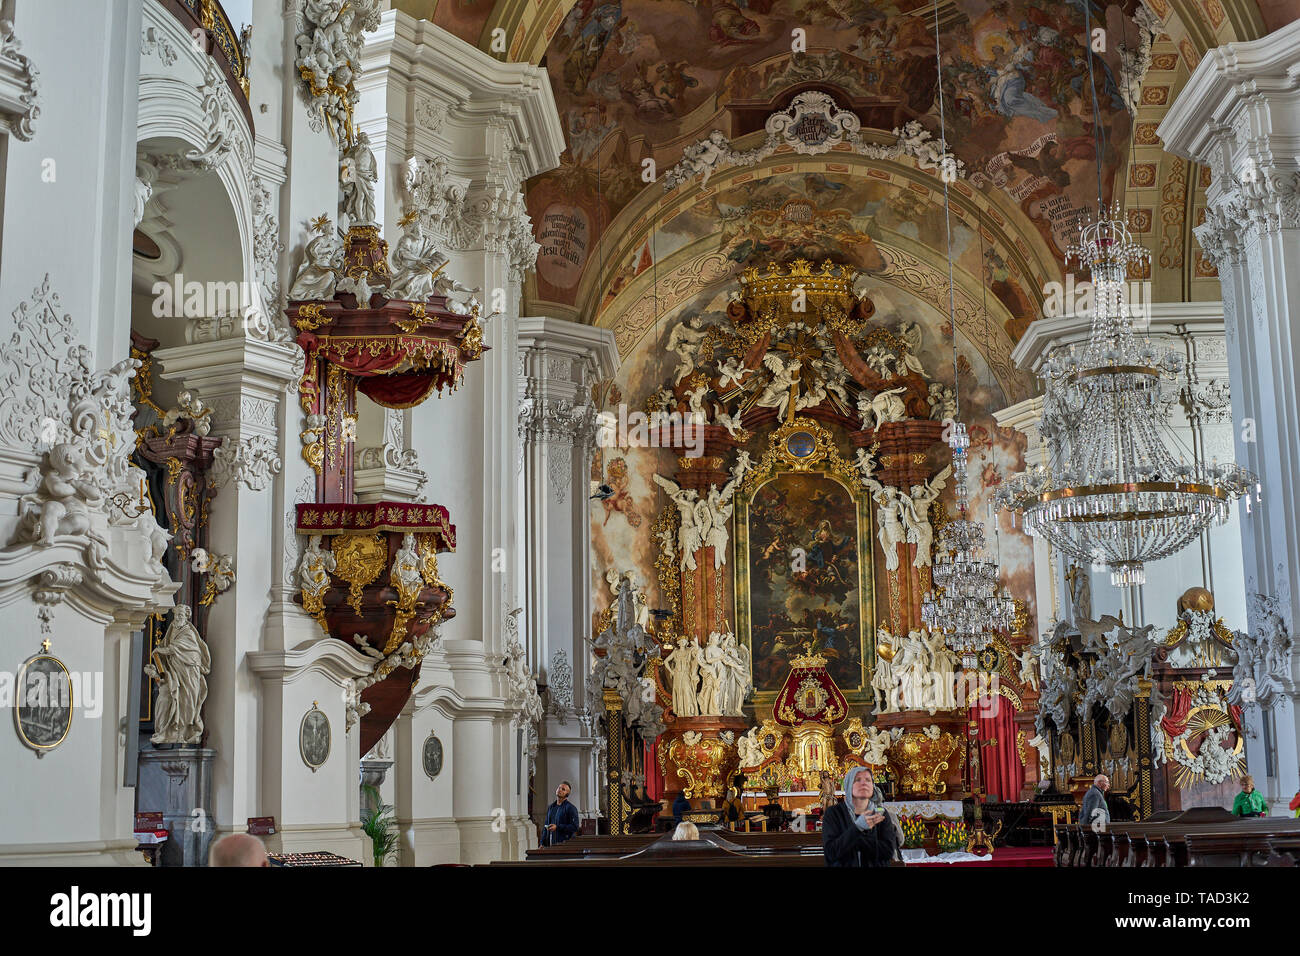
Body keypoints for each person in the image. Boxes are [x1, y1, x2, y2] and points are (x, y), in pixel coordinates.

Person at [822, 766, 897, 867]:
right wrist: (858, 827)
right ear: (849, 785)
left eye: (868, 780)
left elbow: (887, 852)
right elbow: (831, 852)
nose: (863, 783)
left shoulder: (881, 813)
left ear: (873, 786)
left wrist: (856, 838)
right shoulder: (834, 813)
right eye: (857, 780)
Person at [541, 781, 580, 847]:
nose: (560, 790)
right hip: (550, 844)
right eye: (559, 788)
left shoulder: (571, 808)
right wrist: (542, 843)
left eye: (563, 789)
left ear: (567, 794)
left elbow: (575, 827)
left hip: (564, 844)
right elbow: (546, 826)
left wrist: (557, 827)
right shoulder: (551, 807)